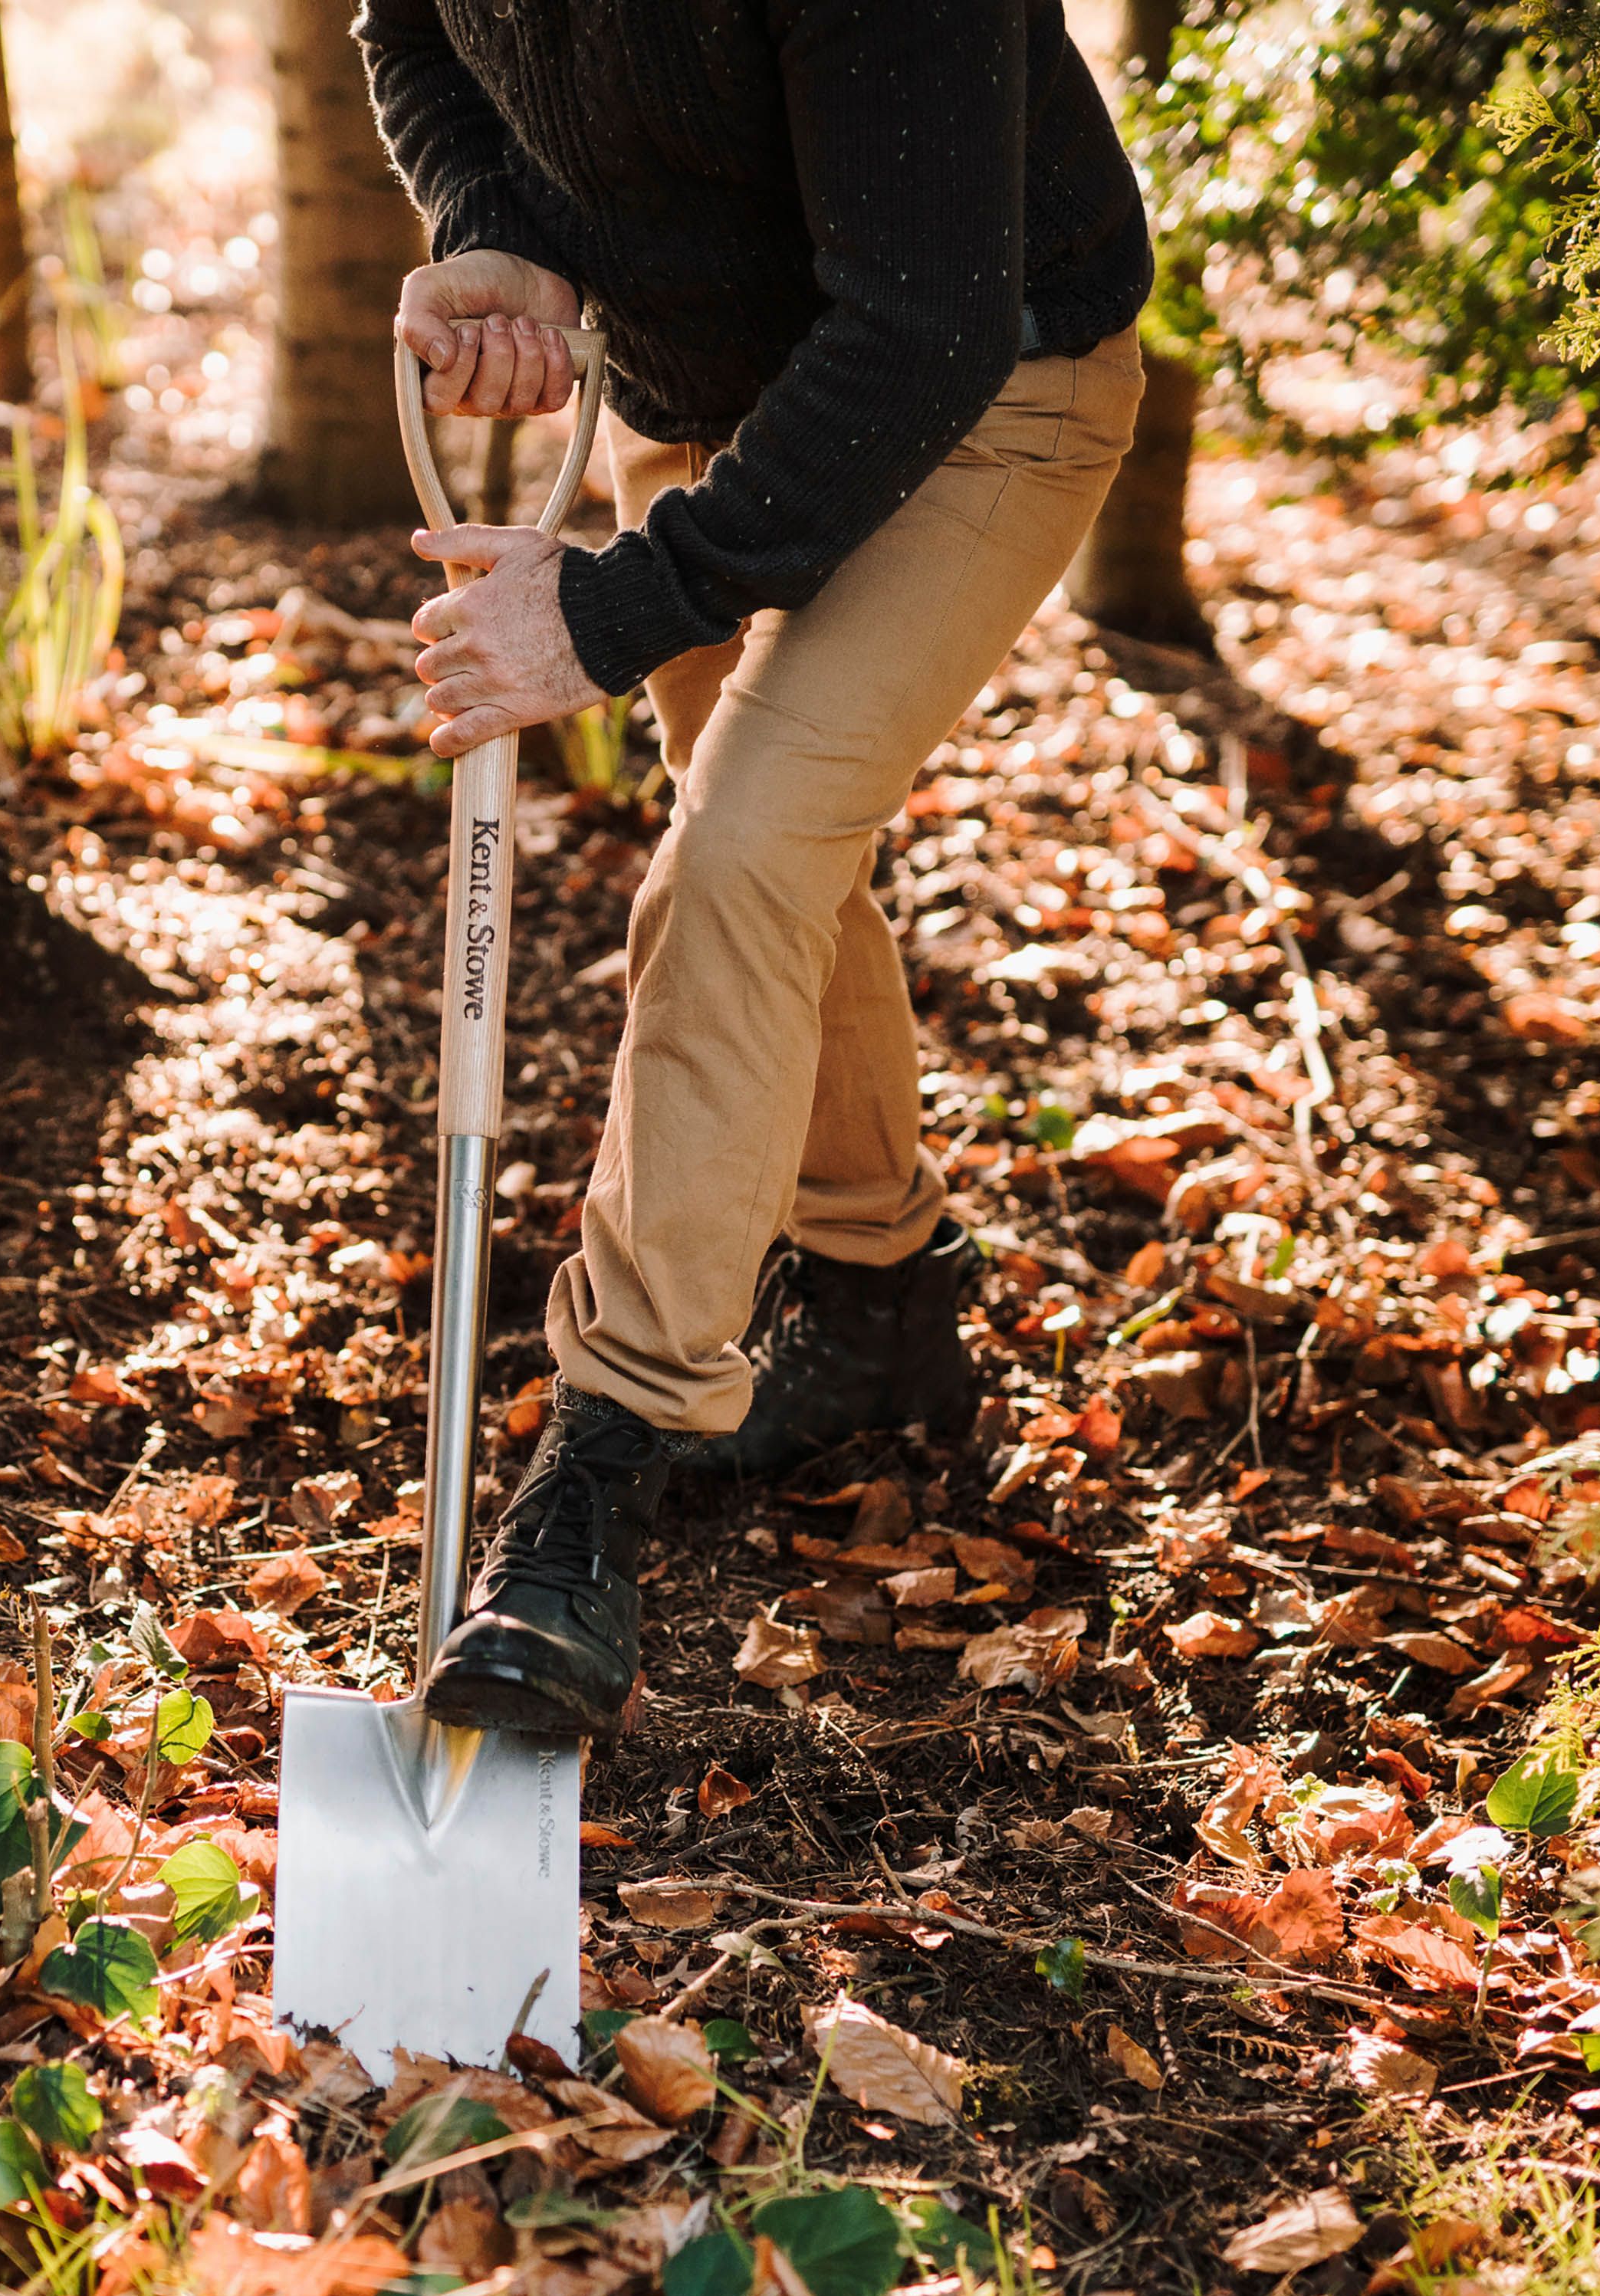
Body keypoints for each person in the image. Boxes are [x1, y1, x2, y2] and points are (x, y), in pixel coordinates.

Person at [352, 0, 1152, 1736]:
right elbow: (409, 28)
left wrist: (620, 605)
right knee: (775, 852)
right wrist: (499, 226)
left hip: (979, 384)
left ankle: (592, 1488)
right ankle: (876, 1307)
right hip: (706, 395)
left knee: (735, 858)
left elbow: (926, 319)